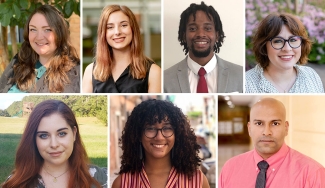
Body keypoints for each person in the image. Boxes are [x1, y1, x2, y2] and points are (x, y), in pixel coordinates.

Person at [219, 98, 325, 188]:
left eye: (275, 123)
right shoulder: (230, 168)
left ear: (286, 128)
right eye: (259, 123)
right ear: (249, 128)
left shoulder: (313, 174)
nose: (266, 132)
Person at [1, 100, 107, 188]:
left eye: (61, 134)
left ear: (74, 134)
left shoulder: (98, 177)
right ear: (33, 139)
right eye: (44, 135)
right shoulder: (16, 184)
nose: (54, 144)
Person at [112, 99, 210, 188]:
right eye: (150, 128)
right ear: (138, 135)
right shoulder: (122, 184)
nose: (159, 137)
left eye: (167, 128)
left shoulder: (197, 181)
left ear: (177, 135)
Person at [164, 1, 243, 93]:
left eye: (208, 28)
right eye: (193, 29)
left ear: (217, 35)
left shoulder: (240, 75)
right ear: (183, 36)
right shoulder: (166, 78)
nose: (201, 34)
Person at [0, 5, 80, 93]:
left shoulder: (76, 74)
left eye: (47, 29)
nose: (39, 37)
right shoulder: (18, 61)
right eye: (33, 29)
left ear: (60, 33)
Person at [82, 5, 161, 93]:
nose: (117, 32)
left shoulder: (154, 72)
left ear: (133, 29)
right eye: (110, 27)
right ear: (103, 33)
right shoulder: (91, 71)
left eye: (123, 25)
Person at [245, 13, 324, 93]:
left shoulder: (312, 76)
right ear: (264, 45)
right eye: (278, 41)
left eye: (293, 40)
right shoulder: (245, 84)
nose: (287, 48)